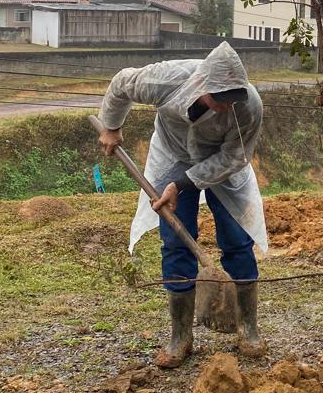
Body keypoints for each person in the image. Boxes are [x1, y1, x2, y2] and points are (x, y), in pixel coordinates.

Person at [96, 41, 267, 369]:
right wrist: (112, 126)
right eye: (218, 100)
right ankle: (180, 337)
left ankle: (248, 328)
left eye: (232, 100)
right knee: (175, 243)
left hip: (222, 164)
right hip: (173, 155)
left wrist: (183, 183)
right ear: (202, 85)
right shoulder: (166, 80)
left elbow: (235, 157)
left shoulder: (248, 106)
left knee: (237, 238)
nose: (225, 107)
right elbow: (121, 84)